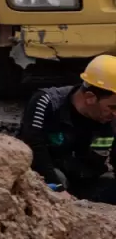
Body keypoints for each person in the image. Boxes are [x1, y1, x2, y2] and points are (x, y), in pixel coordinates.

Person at [17, 55, 116, 203]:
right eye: (112, 107)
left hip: (86, 178)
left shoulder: (110, 118)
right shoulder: (46, 103)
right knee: (51, 183)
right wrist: (57, 188)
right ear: (90, 97)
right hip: (49, 174)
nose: (115, 113)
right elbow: (34, 146)